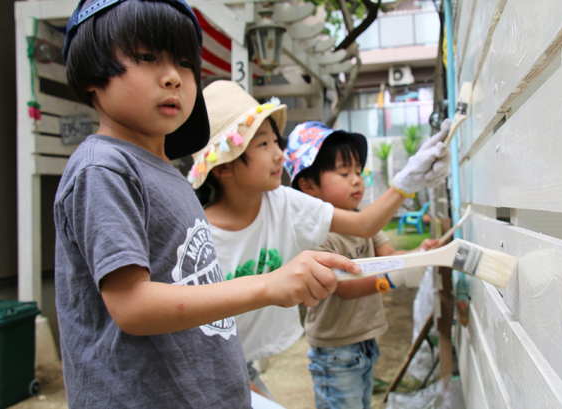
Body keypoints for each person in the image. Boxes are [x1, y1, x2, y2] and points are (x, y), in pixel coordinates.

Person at [54, 1, 360, 407]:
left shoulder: (164, 170)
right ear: (92, 71)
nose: (172, 78)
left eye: (184, 63)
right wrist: (267, 285)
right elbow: (132, 305)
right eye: (147, 57)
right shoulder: (104, 169)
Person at [191, 81, 452, 398]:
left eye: (277, 142)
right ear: (224, 166)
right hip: (208, 365)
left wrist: (406, 182)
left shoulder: (285, 202)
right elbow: (195, 335)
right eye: (262, 145)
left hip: (243, 360)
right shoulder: (199, 239)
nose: (278, 155)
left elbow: (365, 224)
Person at [287, 122, 444, 409]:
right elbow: (343, 287)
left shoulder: (364, 219)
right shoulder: (315, 235)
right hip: (334, 351)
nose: (357, 180)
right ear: (308, 185)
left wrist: (417, 255)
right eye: (344, 173)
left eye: (358, 172)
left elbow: (389, 254)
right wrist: (395, 278)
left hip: (365, 340)